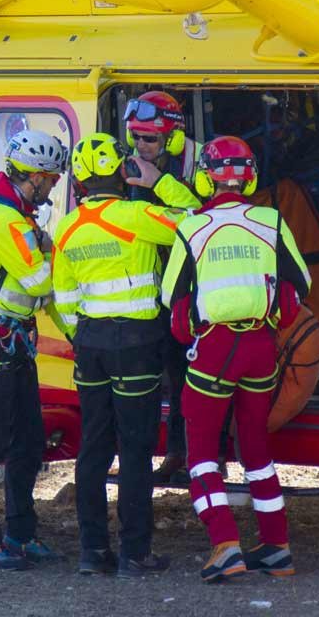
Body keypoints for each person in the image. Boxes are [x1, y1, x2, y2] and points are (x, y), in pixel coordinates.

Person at [160, 136, 311, 583]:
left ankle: (226, 545)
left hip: (215, 349)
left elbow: (172, 297)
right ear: (250, 178)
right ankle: (276, 547)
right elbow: (300, 283)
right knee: (256, 450)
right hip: (263, 346)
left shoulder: (192, 226)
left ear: (205, 177)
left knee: (202, 455)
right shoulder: (271, 221)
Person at [52, 132, 185, 578]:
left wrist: (83, 336)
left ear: (82, 182)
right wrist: (158, 181)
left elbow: (64, 299)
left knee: (93, 447)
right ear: (119, 172)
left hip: (90, 347)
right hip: (137, 347)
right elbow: (198, 221)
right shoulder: (138, 214)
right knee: (134, 448)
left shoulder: (66, 228)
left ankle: (92, 552)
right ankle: (134, 553)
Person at [0, 127, 69, 570]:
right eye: (52, 180)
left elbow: (38, 294)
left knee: (28, 440)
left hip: (16, 341)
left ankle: (22, 533)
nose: (54, 187)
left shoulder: (19, 216)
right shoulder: (1, 219)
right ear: (36, 177)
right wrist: (54, 251)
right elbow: (41, 281)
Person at [122, 91, 202, 483]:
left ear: (172, 137)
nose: (140, 146)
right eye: (135, 137)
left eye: (149, 138)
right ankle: (174, 452)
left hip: (200, 288)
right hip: (158, 289)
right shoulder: (132, 163)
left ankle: (203, 458)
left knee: (197, 376)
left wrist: (161, 182)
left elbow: (204, 219)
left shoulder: (204, 162)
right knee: (165, 371)